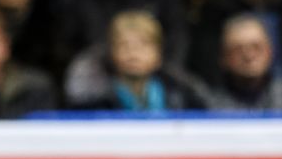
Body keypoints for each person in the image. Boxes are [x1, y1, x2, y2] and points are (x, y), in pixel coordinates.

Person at [70, 9, 210, 110]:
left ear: (158, 54)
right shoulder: (93, 101)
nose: (133, 53)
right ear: (111, 53)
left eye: (143, 45)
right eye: (124, 45)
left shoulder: (183, 95)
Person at [202, 15, 282, 110]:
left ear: (270, 52)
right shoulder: (206, 102)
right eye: (238, 49)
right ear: (223, 57)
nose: (249, 56)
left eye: (256, 47)